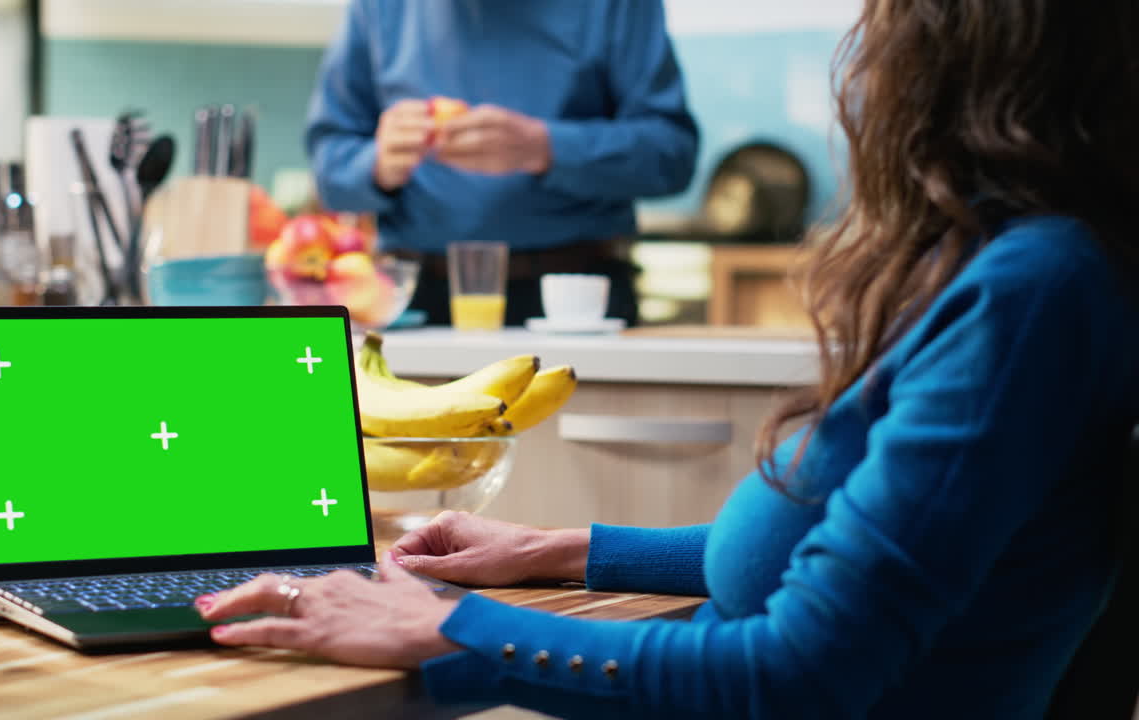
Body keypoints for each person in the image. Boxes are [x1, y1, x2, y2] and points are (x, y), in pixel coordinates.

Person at [197, 1, 1139, 717]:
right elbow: (844, 551)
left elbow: (803, 671)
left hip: (574, 271)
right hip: (423, 275)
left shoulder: (1029, 293)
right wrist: (555, 551)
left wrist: (447, 628)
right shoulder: (1011, 272)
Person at [303, 0, 699, 327]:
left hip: (573, 300)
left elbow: (672, 153)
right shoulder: (378, 8)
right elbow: (328, 168)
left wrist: (547, 148)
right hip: (410, 302)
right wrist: (377, 165)